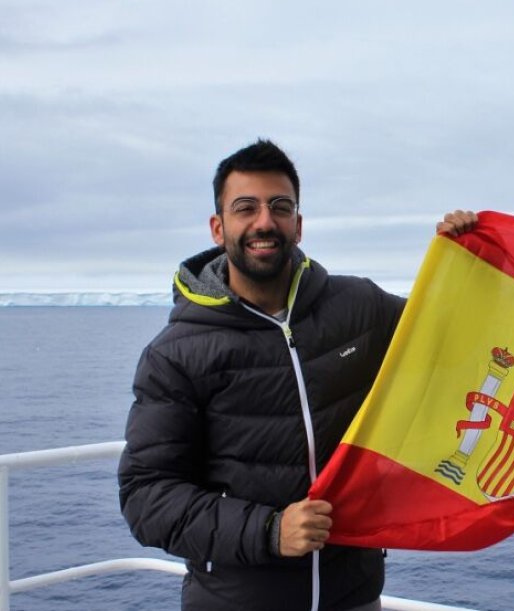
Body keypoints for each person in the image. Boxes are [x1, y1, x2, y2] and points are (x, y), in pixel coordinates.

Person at [118, 139, 476, 611]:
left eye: (279, 206)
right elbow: (148, 497)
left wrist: (468, 264)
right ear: (217, 227)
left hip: (351, 595)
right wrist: (268, 530)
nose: (264, 221)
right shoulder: (178, 354)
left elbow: (448, 339)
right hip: (237, 601)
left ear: (298, 225)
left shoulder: (358, 307)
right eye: (245, 208)